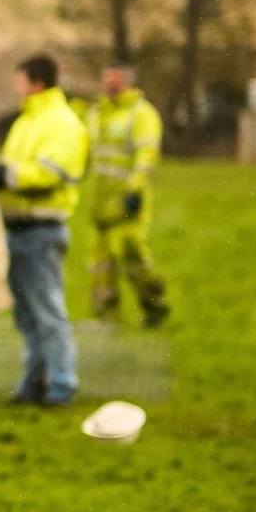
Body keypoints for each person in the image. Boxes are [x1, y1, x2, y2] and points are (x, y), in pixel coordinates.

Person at [0, 53, 88, 407]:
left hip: (42, 232)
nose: (16, 88)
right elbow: (15, 166)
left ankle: (62, 385)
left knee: (48, 313)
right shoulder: (27, 122)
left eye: (19, 80)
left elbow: (50, 173)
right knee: (26, 315)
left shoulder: (63, 124)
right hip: (15, 230)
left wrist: (4, 176)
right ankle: (34, 383)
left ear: (35, 82)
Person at [87, 61, 170, 327]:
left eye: (116, 80)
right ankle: (106, 319)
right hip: (101, 204)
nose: (110, 85)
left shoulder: (141, 114)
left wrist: (135, 188)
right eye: (106, 79)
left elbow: (147, 154)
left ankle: (155, 307)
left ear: (128, 82)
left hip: (127, 203)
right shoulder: (96, 113)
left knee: (133, 260)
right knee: (101, 266)